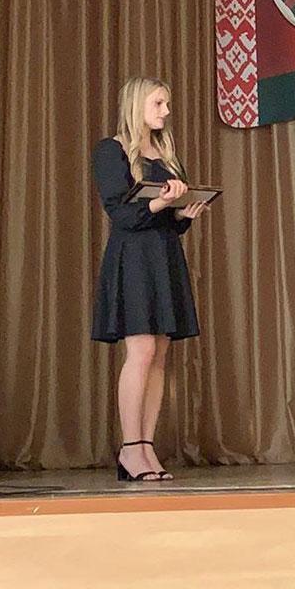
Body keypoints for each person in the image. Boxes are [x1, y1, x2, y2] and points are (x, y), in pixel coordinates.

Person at [92, 77, 208, 481]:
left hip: (164, 255)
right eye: (159, 103)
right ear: (137, 104)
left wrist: (182, 214)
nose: (166, 111)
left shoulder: (164, 152)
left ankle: (145, 445)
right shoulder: (112, 150)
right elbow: (121, 213)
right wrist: (161, 202)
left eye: (166, 103)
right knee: (140, 351)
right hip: (134, 258)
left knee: (159, 353)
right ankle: (129, 448)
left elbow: (168, 221)